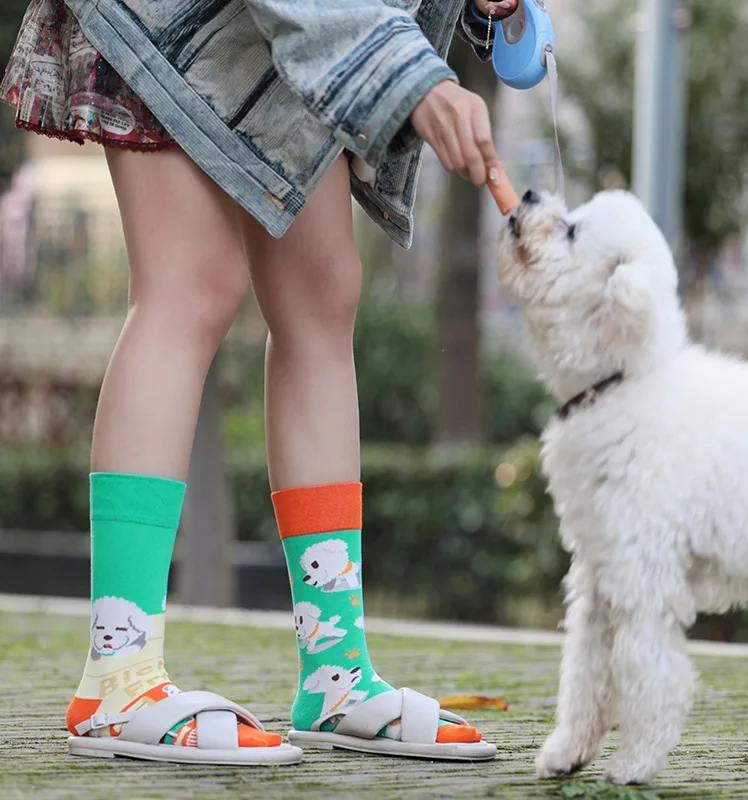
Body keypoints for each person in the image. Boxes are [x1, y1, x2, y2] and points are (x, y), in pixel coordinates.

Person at [2, 0, 518, 765]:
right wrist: (407, 74)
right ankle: (119, 673)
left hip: (279, 32)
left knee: (321, 293)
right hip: (174, 16)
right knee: (190, 284)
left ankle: (336, 676)